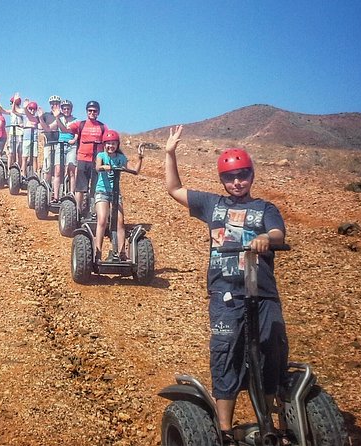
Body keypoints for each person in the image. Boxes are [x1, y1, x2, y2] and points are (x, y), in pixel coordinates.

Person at [164, 125, 289, 444]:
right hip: (226, 293)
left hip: (262, 293)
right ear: (222, 180)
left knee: (272, 349)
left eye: (243, 176)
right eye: (230, 177)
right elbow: (174, 190)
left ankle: (273, 423)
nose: (237, 182)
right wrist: (169, 154)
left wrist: (265, 238)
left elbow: (278, 234)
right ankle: (225, 431)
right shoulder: (212, 204)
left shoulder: (265, 209)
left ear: (251, 176)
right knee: (226, 353)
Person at [94, 130, 143, 262]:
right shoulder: (101, 155)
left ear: (117, 144)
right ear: (105, 144)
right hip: (102, 191)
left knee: (120, 222)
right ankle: (97, 252)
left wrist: (140, 157)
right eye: (108, 143)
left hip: (115, 193)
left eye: (113, 143)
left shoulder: (121, 158)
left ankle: (121, 253)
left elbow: (135, 171)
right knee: (102, 220)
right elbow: (97, 167)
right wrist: (105, 167)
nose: (111, 146)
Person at [64, 100, 107, 215]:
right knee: (80, 188)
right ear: (87, 111)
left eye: (94, 111)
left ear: (98, 112)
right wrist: (59, 117)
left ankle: (94, 212)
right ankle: (77, 212)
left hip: (96, 161)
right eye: (90, 110)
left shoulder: (103, 127)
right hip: (82, 159)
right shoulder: (80, 124)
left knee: (95, 188)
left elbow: (108, 143)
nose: (92, 112)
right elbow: (66, 128)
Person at [38, 95, 64, 202]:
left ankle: (58, 193)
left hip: (61, 145)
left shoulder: (63, 115)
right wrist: (40, 118)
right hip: (48, 144)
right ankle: (45, 191)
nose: (54, 105)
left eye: (56, 103)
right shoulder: (46, 115)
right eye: (52, 103)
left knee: (59, 169)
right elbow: (42, 128)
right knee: (48, 168)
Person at [12, 94, 40, 177]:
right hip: (26, 139)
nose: (32, 111)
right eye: (30, 109)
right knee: (24, 157)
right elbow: (14, 111)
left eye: (33, 109)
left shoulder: (37, 117)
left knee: (35, 157)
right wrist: (14, 101)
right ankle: (23, 174)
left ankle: (35, 175)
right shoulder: (24, 116)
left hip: (34, 139)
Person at [55, 99, 78, 194]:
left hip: (71, 146)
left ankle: (72, 193)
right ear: (62, 109)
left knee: (71, 170)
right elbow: (52, 128)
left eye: (68, 109)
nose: (66, 110)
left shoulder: (76, 121)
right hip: (60, 145)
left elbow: (76, 132)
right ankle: (55, 196)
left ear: (71, 109)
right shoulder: (59, 119)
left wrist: (74, 140)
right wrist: (56, 117)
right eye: (64, 109)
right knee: (57, 171)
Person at [8, 96, 24, 168]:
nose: (11, 104)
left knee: (19, 153)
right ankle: (9, 170)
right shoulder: (11, 111)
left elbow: (15, 111)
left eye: (11, 103)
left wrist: (14, 101)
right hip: (12, 133)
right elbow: (2, 110)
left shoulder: (21, 111)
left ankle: (19, 169)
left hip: (19, 133)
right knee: (10, 152)